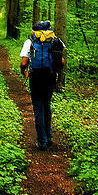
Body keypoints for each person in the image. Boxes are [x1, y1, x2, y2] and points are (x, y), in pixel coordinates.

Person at [19, 20, 65, 151]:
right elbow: (61, 61)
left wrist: (25, 73)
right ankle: (49, 137)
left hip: (36, 77)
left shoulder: (30, 42)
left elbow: (23, 63)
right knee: (47, 105)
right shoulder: (55, 40)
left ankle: (42, 141)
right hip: (50, 77)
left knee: (38, 107)